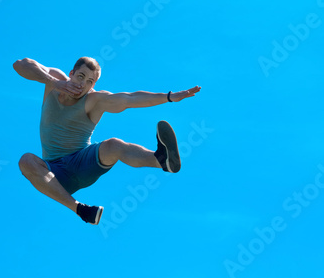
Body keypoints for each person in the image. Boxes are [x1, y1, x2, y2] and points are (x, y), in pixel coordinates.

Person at [13, 56, 201, 225]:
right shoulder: (54, 80)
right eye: (80, 77)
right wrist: (54, 82)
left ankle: (162, 160)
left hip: (82, 162)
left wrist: (169, 97)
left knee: (114, 145)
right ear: (71, 73)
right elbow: (20, 65)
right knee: (26, 160)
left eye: (90, 82)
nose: (83, 85)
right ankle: (80, 209)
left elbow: (130, 99)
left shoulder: (95, 100)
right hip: (56, 175)